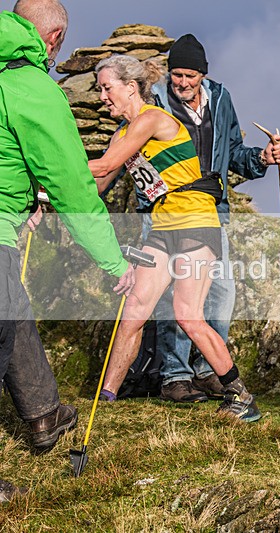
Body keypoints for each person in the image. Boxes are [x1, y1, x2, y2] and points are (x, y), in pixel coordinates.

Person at [0, 0, 135, 501]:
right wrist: (112, 260)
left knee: (10, 315)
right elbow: (73, 185)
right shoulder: (31, 87)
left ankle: (42, 416)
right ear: (53, 39)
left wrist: (18, 197)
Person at [88, 54, 259, 423]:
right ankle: (106, 399)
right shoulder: (123, 133)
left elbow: (101, 167)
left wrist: (49, 164)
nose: (102, 96)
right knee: (135, 308)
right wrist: (43, 195)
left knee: (188, 315)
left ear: (131, 87)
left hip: (196, 220)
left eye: (107, 88)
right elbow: (97, 186)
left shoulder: (151, 119)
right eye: (99, 89)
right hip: (164, 226)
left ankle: (240, 395)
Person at [132, 34, 280, 403]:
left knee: (220, 292)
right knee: (175, 294)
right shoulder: (154, 103)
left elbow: (233, 153)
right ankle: (174, 375)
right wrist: (152, 200)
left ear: (203, 74)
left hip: (212, 210)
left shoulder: (220, 99)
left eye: (189, 76)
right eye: (176, 75)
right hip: (167, 212)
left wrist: (263, 158)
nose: (182, 83)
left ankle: (207, 370)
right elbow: (136, 156)